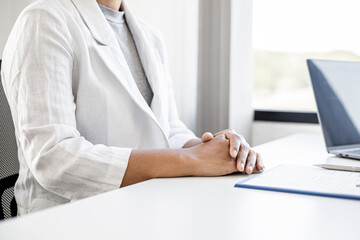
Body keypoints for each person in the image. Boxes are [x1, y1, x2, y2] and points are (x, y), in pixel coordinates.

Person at [1, 0, 264, 215]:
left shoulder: (150, 36)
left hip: (145, 206)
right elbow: (54, 158)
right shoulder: (44, 20)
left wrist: (216, 150)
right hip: (69, 218)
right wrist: (192, 160)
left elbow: (169, 129)